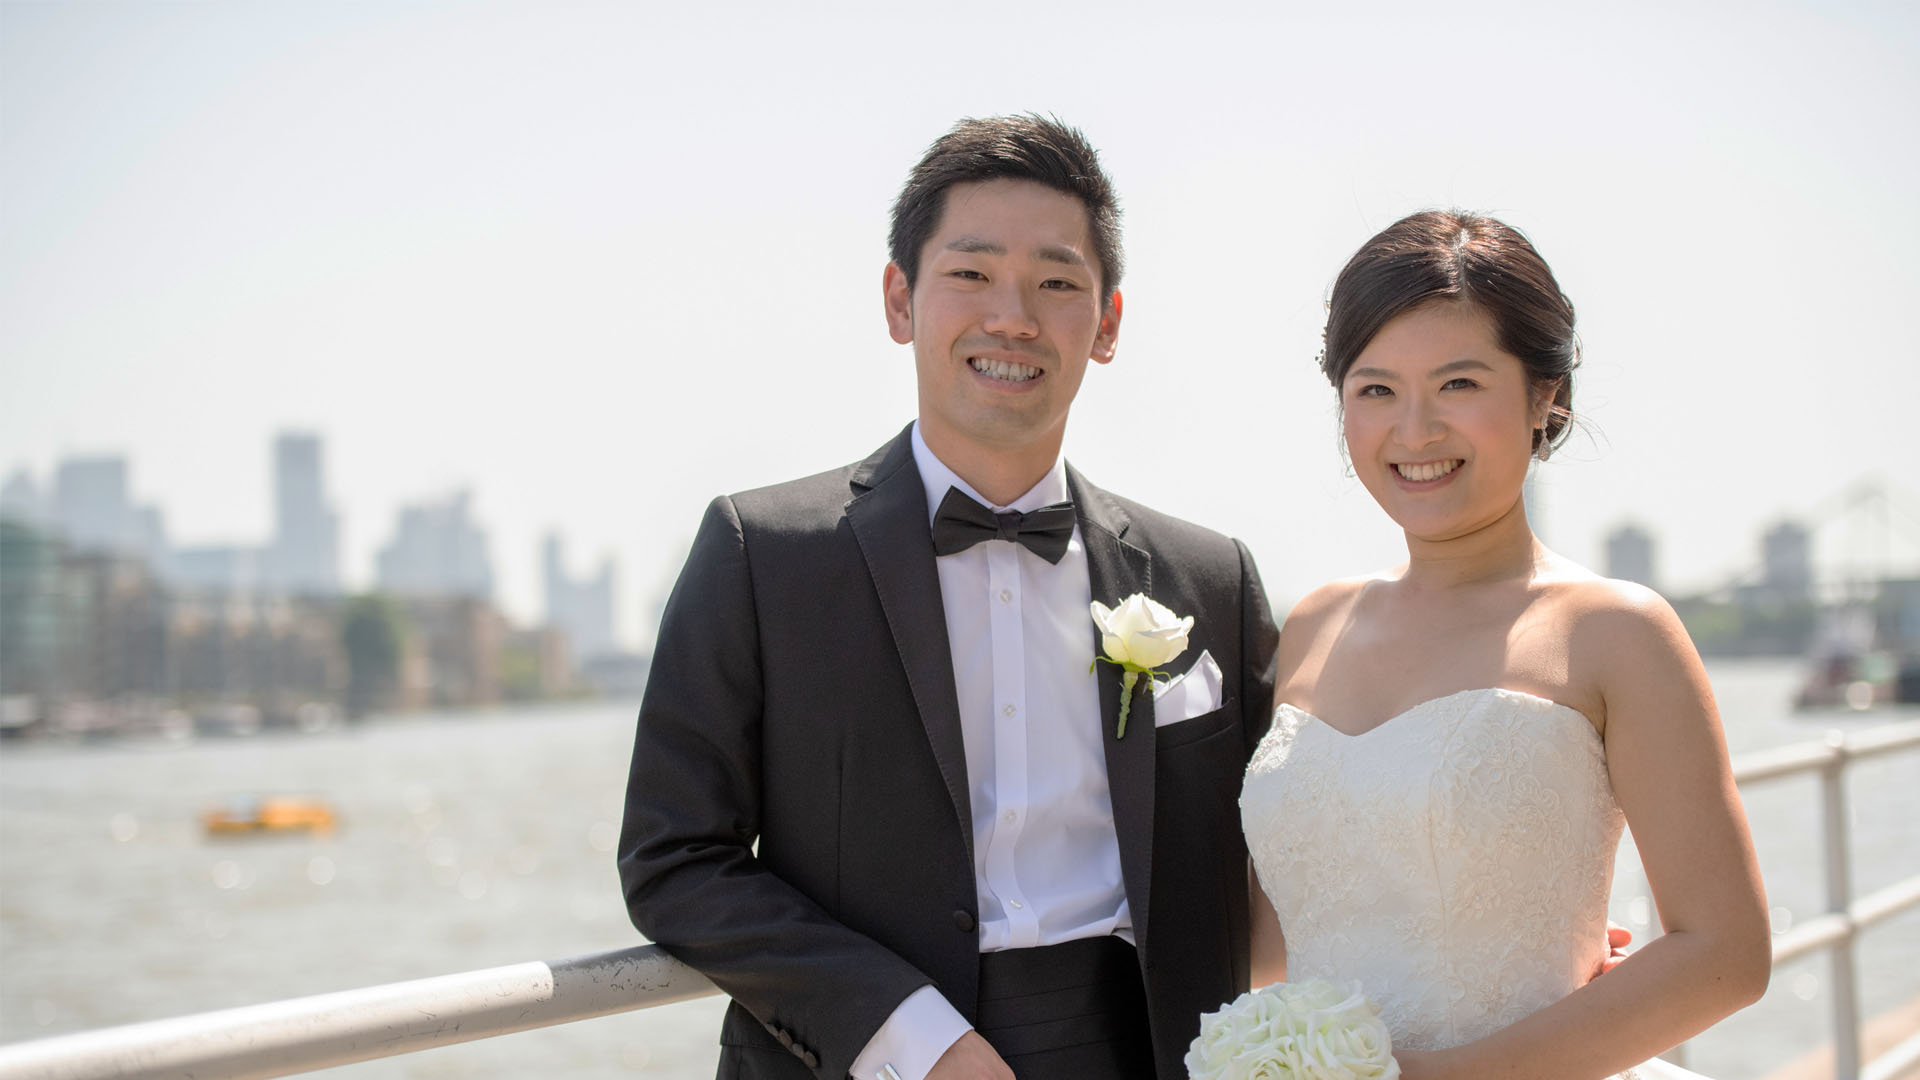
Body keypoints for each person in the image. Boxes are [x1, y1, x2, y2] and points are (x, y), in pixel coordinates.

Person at [618, 115, 1280, 1080]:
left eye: (1056, 283)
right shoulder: (761, 554)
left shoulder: (1209, 576)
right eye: (971, 274)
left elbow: (1290, 842)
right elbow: (674, 859)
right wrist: (908, 1038)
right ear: (900, 300)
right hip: (874, 1054)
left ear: (1106, 325)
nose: (1012, 318)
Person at [1239, 210, 1771, 1079]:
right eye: (1376, 390)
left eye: (1458, 385)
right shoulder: (1313, 625)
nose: (1414, 432)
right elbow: (1275, 935)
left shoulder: (1614, 632)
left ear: (1543, 394)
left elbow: (1725, 953)